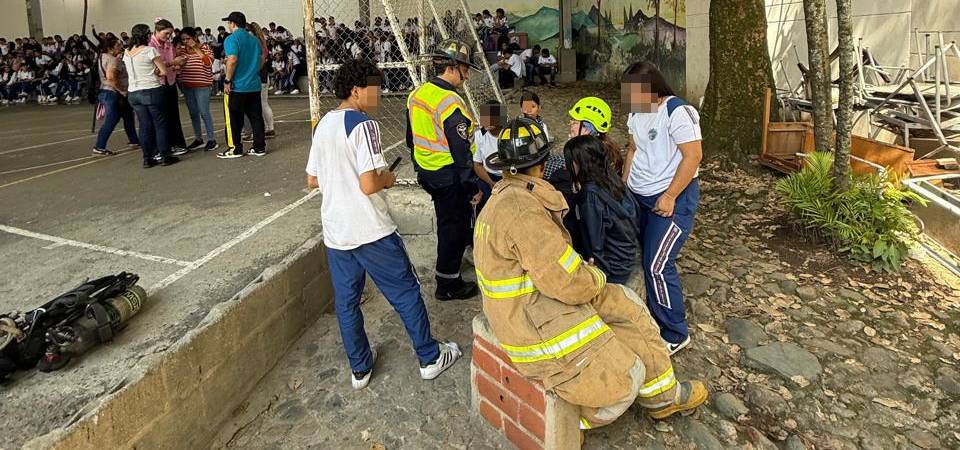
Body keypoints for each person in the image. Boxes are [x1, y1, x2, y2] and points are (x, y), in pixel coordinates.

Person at [473, 116, 708, 436]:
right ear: (542, 165)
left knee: (626, 303)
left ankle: (663, 397)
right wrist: (596, 277)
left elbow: (556, 270)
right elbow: (568, 282)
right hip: (534, 323)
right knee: (628, 377)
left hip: (538, 303)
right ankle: (571, 424)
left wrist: (590, 277)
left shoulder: (510, 199)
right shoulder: (522, 212)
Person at [307, 58, 462, 389]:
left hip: (336, 232)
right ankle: (430, 357)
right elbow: (368, 184)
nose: (378, 95)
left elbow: (312, 179)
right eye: (374, 89)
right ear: (356, 89)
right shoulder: (363, 126)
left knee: (347, 302)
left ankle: (360, 368)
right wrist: (387, 177)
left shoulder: (323, 125)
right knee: (405, 291)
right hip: (371, 230)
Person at [622, 61, 703, 355]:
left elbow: (693, 156)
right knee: (641, 256)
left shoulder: (677, 111)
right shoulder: (636, 112)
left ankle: (674, 331)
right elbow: (632, 149)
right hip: (639, 195)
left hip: (671, 199)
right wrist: (624, 186)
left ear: (653, 89)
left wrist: (669, 196)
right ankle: (650, 314)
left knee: (657, 264)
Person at [405, 38, 482, 301]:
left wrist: (418, 165)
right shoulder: (450, 102)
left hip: (428, 173)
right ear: (452, 67)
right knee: (454, 227)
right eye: (465, 68)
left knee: (446, 221)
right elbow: (462, 154)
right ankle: (448, 284)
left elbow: (409, 138)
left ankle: (449, 266)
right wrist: (472, 186)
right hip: (450, 178)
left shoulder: (417, 94)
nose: (467, 75)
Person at [563, 135, 640, 284]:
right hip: (626, 258)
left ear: (579, 163)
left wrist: (597, 274)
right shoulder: (613, 179)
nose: (566, 167)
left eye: (569, 162)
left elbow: (594, 244)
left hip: (612, 269)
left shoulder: (590, 196)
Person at [124, 23, 178, 168]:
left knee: (144, 125)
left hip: (133, 92)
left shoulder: (127, 52)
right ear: (147, 35)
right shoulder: (149, 50)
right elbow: (163, 71)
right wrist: (155, 71)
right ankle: (165, 155)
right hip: (151, 89)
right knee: (159, 123)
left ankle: (147, 158)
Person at [217, 11, 266, 159]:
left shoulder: (231, 39)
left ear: (232, 24)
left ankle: (235, 148)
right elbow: (262, 58)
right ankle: (259, 147)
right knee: (256, 117)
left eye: (229, 23)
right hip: (253, 84)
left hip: (238, 86)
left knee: (233, 119)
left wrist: (227, 80)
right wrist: (252, 70)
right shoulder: (254, 40)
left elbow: (232, 60)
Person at [93, 37, 139, 156]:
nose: (121, 46)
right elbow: (111, 78)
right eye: (118, 45)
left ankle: (134, 140)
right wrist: (122, 90)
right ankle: (99, 146)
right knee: (111, 119)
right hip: (113, 93)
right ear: (110, 48)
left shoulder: (101, 57)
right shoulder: (113, 60)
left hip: (106, 91)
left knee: (128, 116)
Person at [150, 19, 188, 156]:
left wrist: (178, 64)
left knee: (173, 115)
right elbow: (155, 66)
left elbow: (171, 63)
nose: (168, 37)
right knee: (161, 118)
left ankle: (177, 144)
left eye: (170, 34)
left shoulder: (168, 45)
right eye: (166, 33)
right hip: (157, 84)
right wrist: (173, 62)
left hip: (170, 81)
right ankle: (164, 147)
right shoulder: (150, 46)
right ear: (157, 31)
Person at [177, 28, 218, 151]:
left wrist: (196, 48)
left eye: (188, 38)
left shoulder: (205, 47)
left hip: (202, 85)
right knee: (193, 113)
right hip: (187, 85)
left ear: (194, 37)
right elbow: (178, 64)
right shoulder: (182, 50)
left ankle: (211, 139)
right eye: (183, 39)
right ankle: (198, 138)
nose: (185, 41)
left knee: (204, 111)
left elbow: (208, 62)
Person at [568, 96, 625, 178]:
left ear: (587, 129)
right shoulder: (604, 148)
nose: (570, 125)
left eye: (574, 122)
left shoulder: (588, 156)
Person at [472, 101, 504, 212]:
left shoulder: (508, 133)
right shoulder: (480, 135)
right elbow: (477, 164)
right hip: (487, 177)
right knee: (485, 203)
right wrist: (491, 183)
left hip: (509, 176)